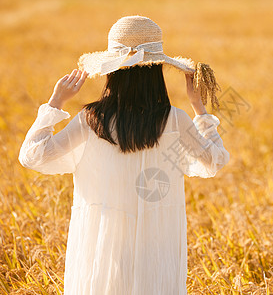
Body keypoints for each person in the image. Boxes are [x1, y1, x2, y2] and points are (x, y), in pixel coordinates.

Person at [19, 15, 230, 295]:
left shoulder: (90, 119)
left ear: (112, 71)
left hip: (102, 250)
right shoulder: (175, 120)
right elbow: (215, 161)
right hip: (155, 250)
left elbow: (33, 156)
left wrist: (55, 103)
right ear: (156, 71)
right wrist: (199, 110)